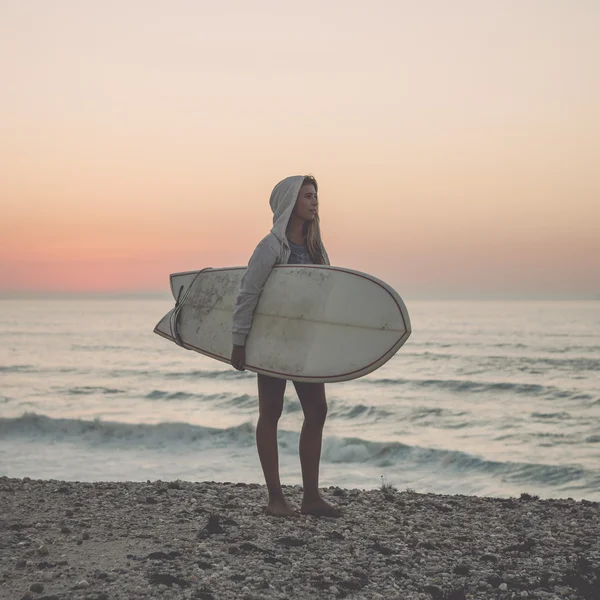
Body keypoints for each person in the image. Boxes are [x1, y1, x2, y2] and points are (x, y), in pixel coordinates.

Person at [230, 175, 342, 518]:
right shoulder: (270, 247)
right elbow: (248, 293)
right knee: (271, 412)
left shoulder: (315, 248)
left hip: (302, 343)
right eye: (308, 196)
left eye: (316, 196)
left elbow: (321, 298)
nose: (314, 202)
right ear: (291, 201)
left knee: (317, 411)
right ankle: (275, 499)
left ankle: (310, 497)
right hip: (271, 341)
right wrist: (239, 342)